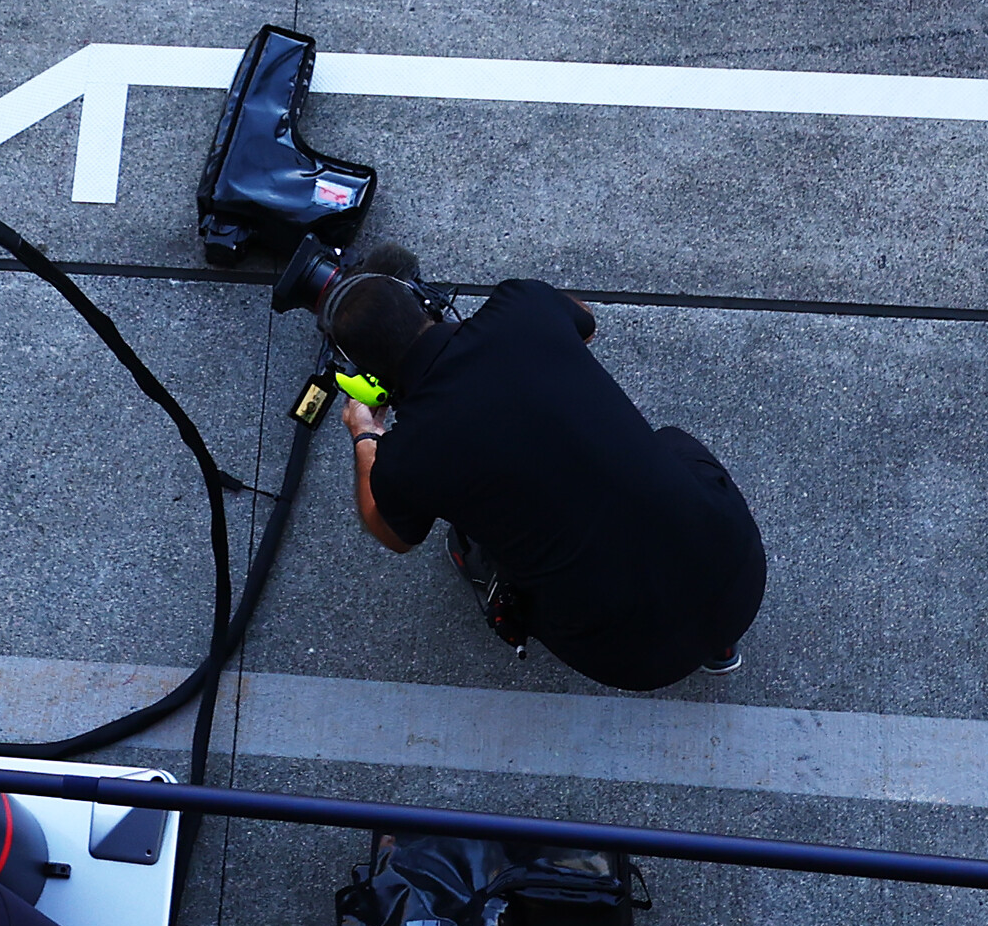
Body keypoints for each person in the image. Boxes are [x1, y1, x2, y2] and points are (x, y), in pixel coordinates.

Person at [326, 251, 766, 691]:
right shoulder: (523, 306)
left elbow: (393, 534)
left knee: (486, 536)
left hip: (634, 659)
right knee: (668, 444)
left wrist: (365, 433)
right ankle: (719, 645)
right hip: (740, 572)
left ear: (366, 376)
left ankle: (485, 572)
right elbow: (585, 324)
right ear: (420, 300)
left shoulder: (406, 457)